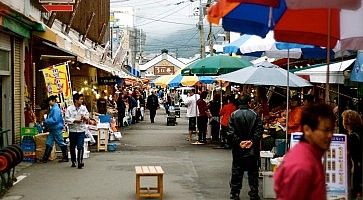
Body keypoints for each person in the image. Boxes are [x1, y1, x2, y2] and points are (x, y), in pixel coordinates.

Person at [274, 104, 336, 200]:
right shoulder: (302, 166)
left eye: (332, 130)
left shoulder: (310, 155)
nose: (330, 135)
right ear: (307, 130)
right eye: (326, 130)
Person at [227, 95, 263, 200]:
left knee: (237, 171)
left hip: (238, 149)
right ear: (248, 103)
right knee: (253, 172)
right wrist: (252, 141)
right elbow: (259, 130)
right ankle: (254, 193)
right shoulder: (255, 114)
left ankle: (234, 193)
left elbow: (230, 132)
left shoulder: (234, 115)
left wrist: (239, 142)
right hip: (252, 149)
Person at [65, 93, 89, 169]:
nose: (82, 101)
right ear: (76, 100)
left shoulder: (84, 108)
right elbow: (66, 119)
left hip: (81, 130)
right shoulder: (69, 109)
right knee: (72, 147)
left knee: (80, 146)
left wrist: (85, 118)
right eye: (80, 99)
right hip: (72, 130)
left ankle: (80, 161)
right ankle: (73, 161)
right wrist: (75, 120)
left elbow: (87, 116)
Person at [41, 95, 68, 163]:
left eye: (49, 101)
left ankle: (65, 157)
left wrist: (46, 121)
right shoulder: (54, 108)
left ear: (53, 101)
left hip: (56, 128)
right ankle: (45, 158)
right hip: (54, 128)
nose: (49, 102)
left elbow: (55, 119)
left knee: (60, 142)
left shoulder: (55, 109)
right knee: (49, 142)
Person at [342, 110, 362, 199]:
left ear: (347, 122)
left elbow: (348, 153)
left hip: (356, 168)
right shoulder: (359, 132)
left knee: (355, 191)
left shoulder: (353, 136)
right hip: (359, 166)